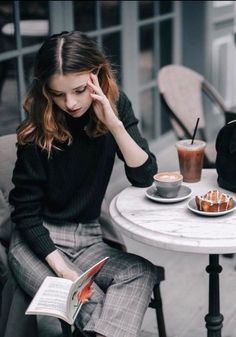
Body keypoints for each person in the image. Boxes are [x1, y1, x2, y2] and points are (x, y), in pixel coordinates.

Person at [8, 30, 159, 337]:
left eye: (79, 90)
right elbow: (25, 213)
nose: (71, 103)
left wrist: (114, 123)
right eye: (58, 94)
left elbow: (144, 176)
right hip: (37, 243)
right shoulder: (36, 127)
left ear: (96, 74)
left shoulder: (115, 104)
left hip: (88, 236)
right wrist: (63, 270)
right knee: (94, 303)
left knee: (141, 272)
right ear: (46, 90)